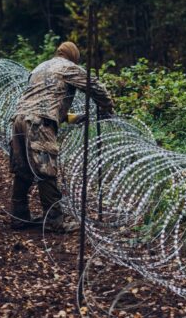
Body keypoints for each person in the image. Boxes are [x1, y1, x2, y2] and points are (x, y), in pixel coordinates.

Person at [9, 41, 114, 233]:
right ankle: (55, 220)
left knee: (23, 169)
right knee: (46, 170)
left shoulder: (40, 67)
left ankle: (19, 215)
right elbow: (95, 86)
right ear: (74, 57)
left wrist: (72, 117)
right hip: (38, 123)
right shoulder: (68, 67)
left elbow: (42, 99)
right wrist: (108, 107)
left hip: (18, 119)